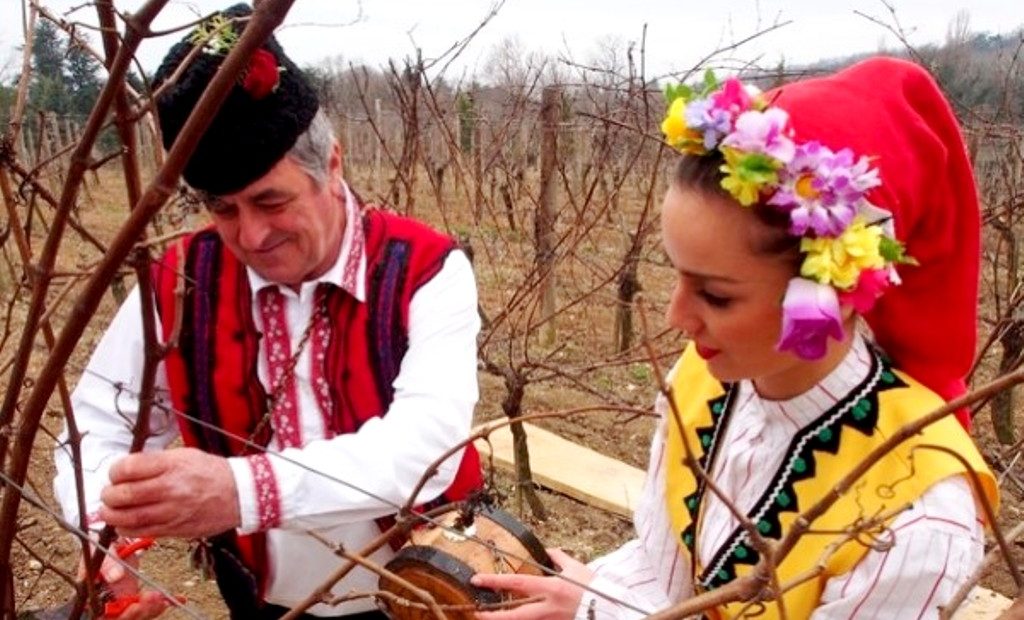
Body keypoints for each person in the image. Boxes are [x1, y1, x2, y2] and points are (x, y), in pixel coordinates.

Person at [472, 57, 999, 619]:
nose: (677, 316)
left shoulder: (916, 518)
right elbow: (664, 571)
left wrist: (596, 611)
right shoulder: (704, 381)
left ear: (837, 292)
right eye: (675, 274)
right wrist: (589, 594)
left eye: (717, 296)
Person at [52, 4, 483, 619]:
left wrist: (241, 491)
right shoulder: (179, 282)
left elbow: (423, 448)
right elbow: (95, 424)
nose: (251, 236)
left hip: (421, 597)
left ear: (331, 164)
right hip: (260, 603)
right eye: (223, 209)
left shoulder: (426, 269)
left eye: (271, 202)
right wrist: (105, 528)